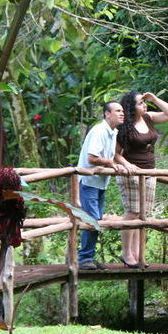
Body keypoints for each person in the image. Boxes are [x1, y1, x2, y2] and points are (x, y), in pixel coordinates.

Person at [116, 91, 168, 267]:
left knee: (143, 214)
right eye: (140, 103)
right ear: (131, 107)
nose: (144, 105)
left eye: (144, 102)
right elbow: (115, 153)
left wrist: (154, 99)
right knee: (132, 212)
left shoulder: (148, 118)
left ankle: (137, 255)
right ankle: (127, 254)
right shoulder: (124, 126)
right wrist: (127, 165)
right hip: (131, 173)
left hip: (150, 172)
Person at [76, 101, 127, 270]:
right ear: (107, 113)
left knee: (96, 219)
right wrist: (110, 163)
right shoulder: (99, 131)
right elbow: (92, 158)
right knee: (92, 220)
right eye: (117, 111)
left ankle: (87, 256)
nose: (122, 113)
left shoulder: (113, 132)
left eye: (122, 111)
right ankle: (84, 258)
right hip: (89, 182)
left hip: (99, 183)